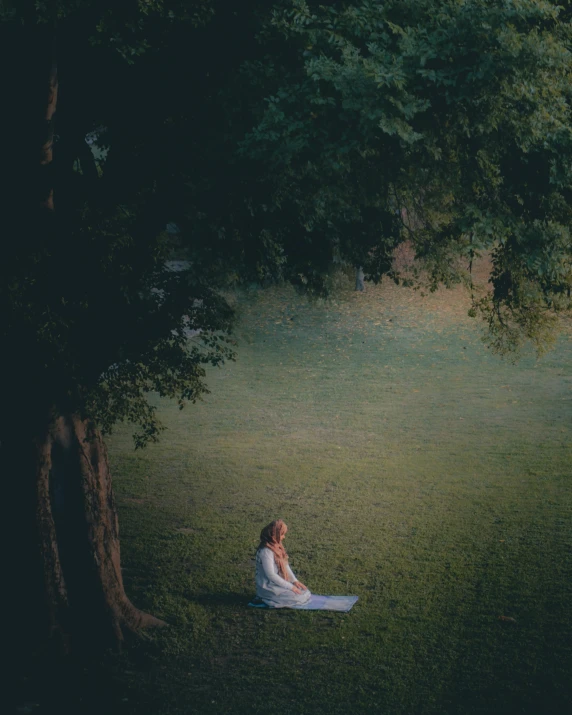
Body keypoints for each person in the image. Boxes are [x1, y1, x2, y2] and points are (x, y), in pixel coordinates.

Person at [255, 519, 311, 608]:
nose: (284, 537)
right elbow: (271, 575)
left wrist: (294, 581)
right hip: (268, 586)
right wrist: (291, 587)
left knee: (305, 592)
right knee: (298, 597)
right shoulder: (266, 551)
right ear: (274, 535)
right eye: (282, 534)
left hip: (277, 583)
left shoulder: (277, 547)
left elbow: (285, 565)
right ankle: (265, 598)